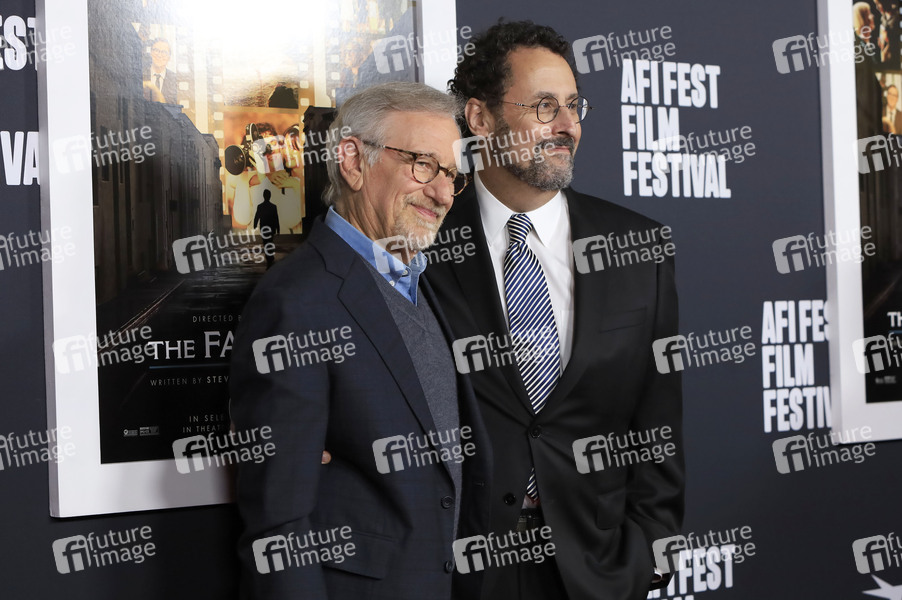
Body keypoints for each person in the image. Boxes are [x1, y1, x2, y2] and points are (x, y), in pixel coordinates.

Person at [424, 20, 684, 600]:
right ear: (480, 118)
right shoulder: (424, 243)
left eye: (573, 105)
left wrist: (650, 555)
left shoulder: (639, 247)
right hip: (462, 572)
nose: (568, 125)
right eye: (544, 107)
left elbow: (658, 419)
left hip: (596, 569)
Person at [229, 81, 491, 600]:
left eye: (451, 175)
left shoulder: (422, 283)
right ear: (352, 160)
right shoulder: (296, 301)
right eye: (423, 165)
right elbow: (280, 530)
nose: (443, 194)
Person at [143, 38, 177, 104]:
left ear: (169, 57)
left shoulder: (175, 79)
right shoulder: (140, 74)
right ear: (151, 53)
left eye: (164, 52)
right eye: (156, 50)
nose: (159, 55)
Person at [253, 189, 280, 269]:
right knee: (270, 242)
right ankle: (270, 256)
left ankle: (269, 257)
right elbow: (276, 218)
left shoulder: (260, 206)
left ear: (263, 196)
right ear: (270, 196)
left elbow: (257, 216)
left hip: (264, 228)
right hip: (271, 228)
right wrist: (278, 229)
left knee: (265, 243)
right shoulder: (273, 207)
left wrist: (255, 225)